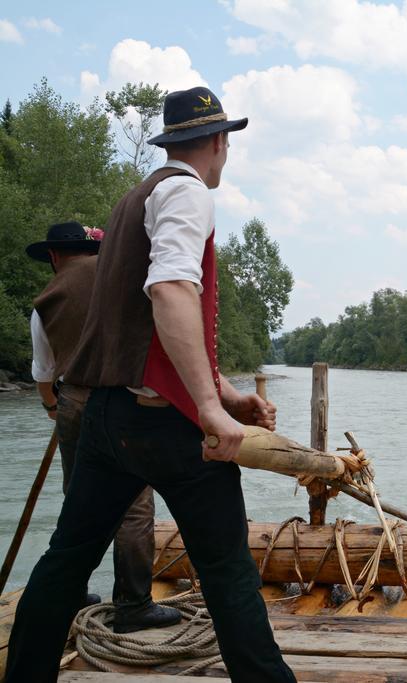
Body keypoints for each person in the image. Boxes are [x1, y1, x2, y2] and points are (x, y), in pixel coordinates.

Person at [5, 87, 296, 682]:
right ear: (220, 142)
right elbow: (169, 294)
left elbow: (146, 330)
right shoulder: (188, 192)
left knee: (65, 560)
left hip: (108, 419)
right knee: (229, 575)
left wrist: (225, 389)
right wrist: (212, 411)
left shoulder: (132, 201)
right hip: (171, 427)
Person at [26, 221, 181, 632]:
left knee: (79, 501)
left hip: (74, 401)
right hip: (127, 399)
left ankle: (70, 594)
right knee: (133, 507)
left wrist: (52, 407)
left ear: (55, 257)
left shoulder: (48, 300)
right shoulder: (125, 280)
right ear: (93, 251)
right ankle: (132, 605)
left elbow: (44, 372)